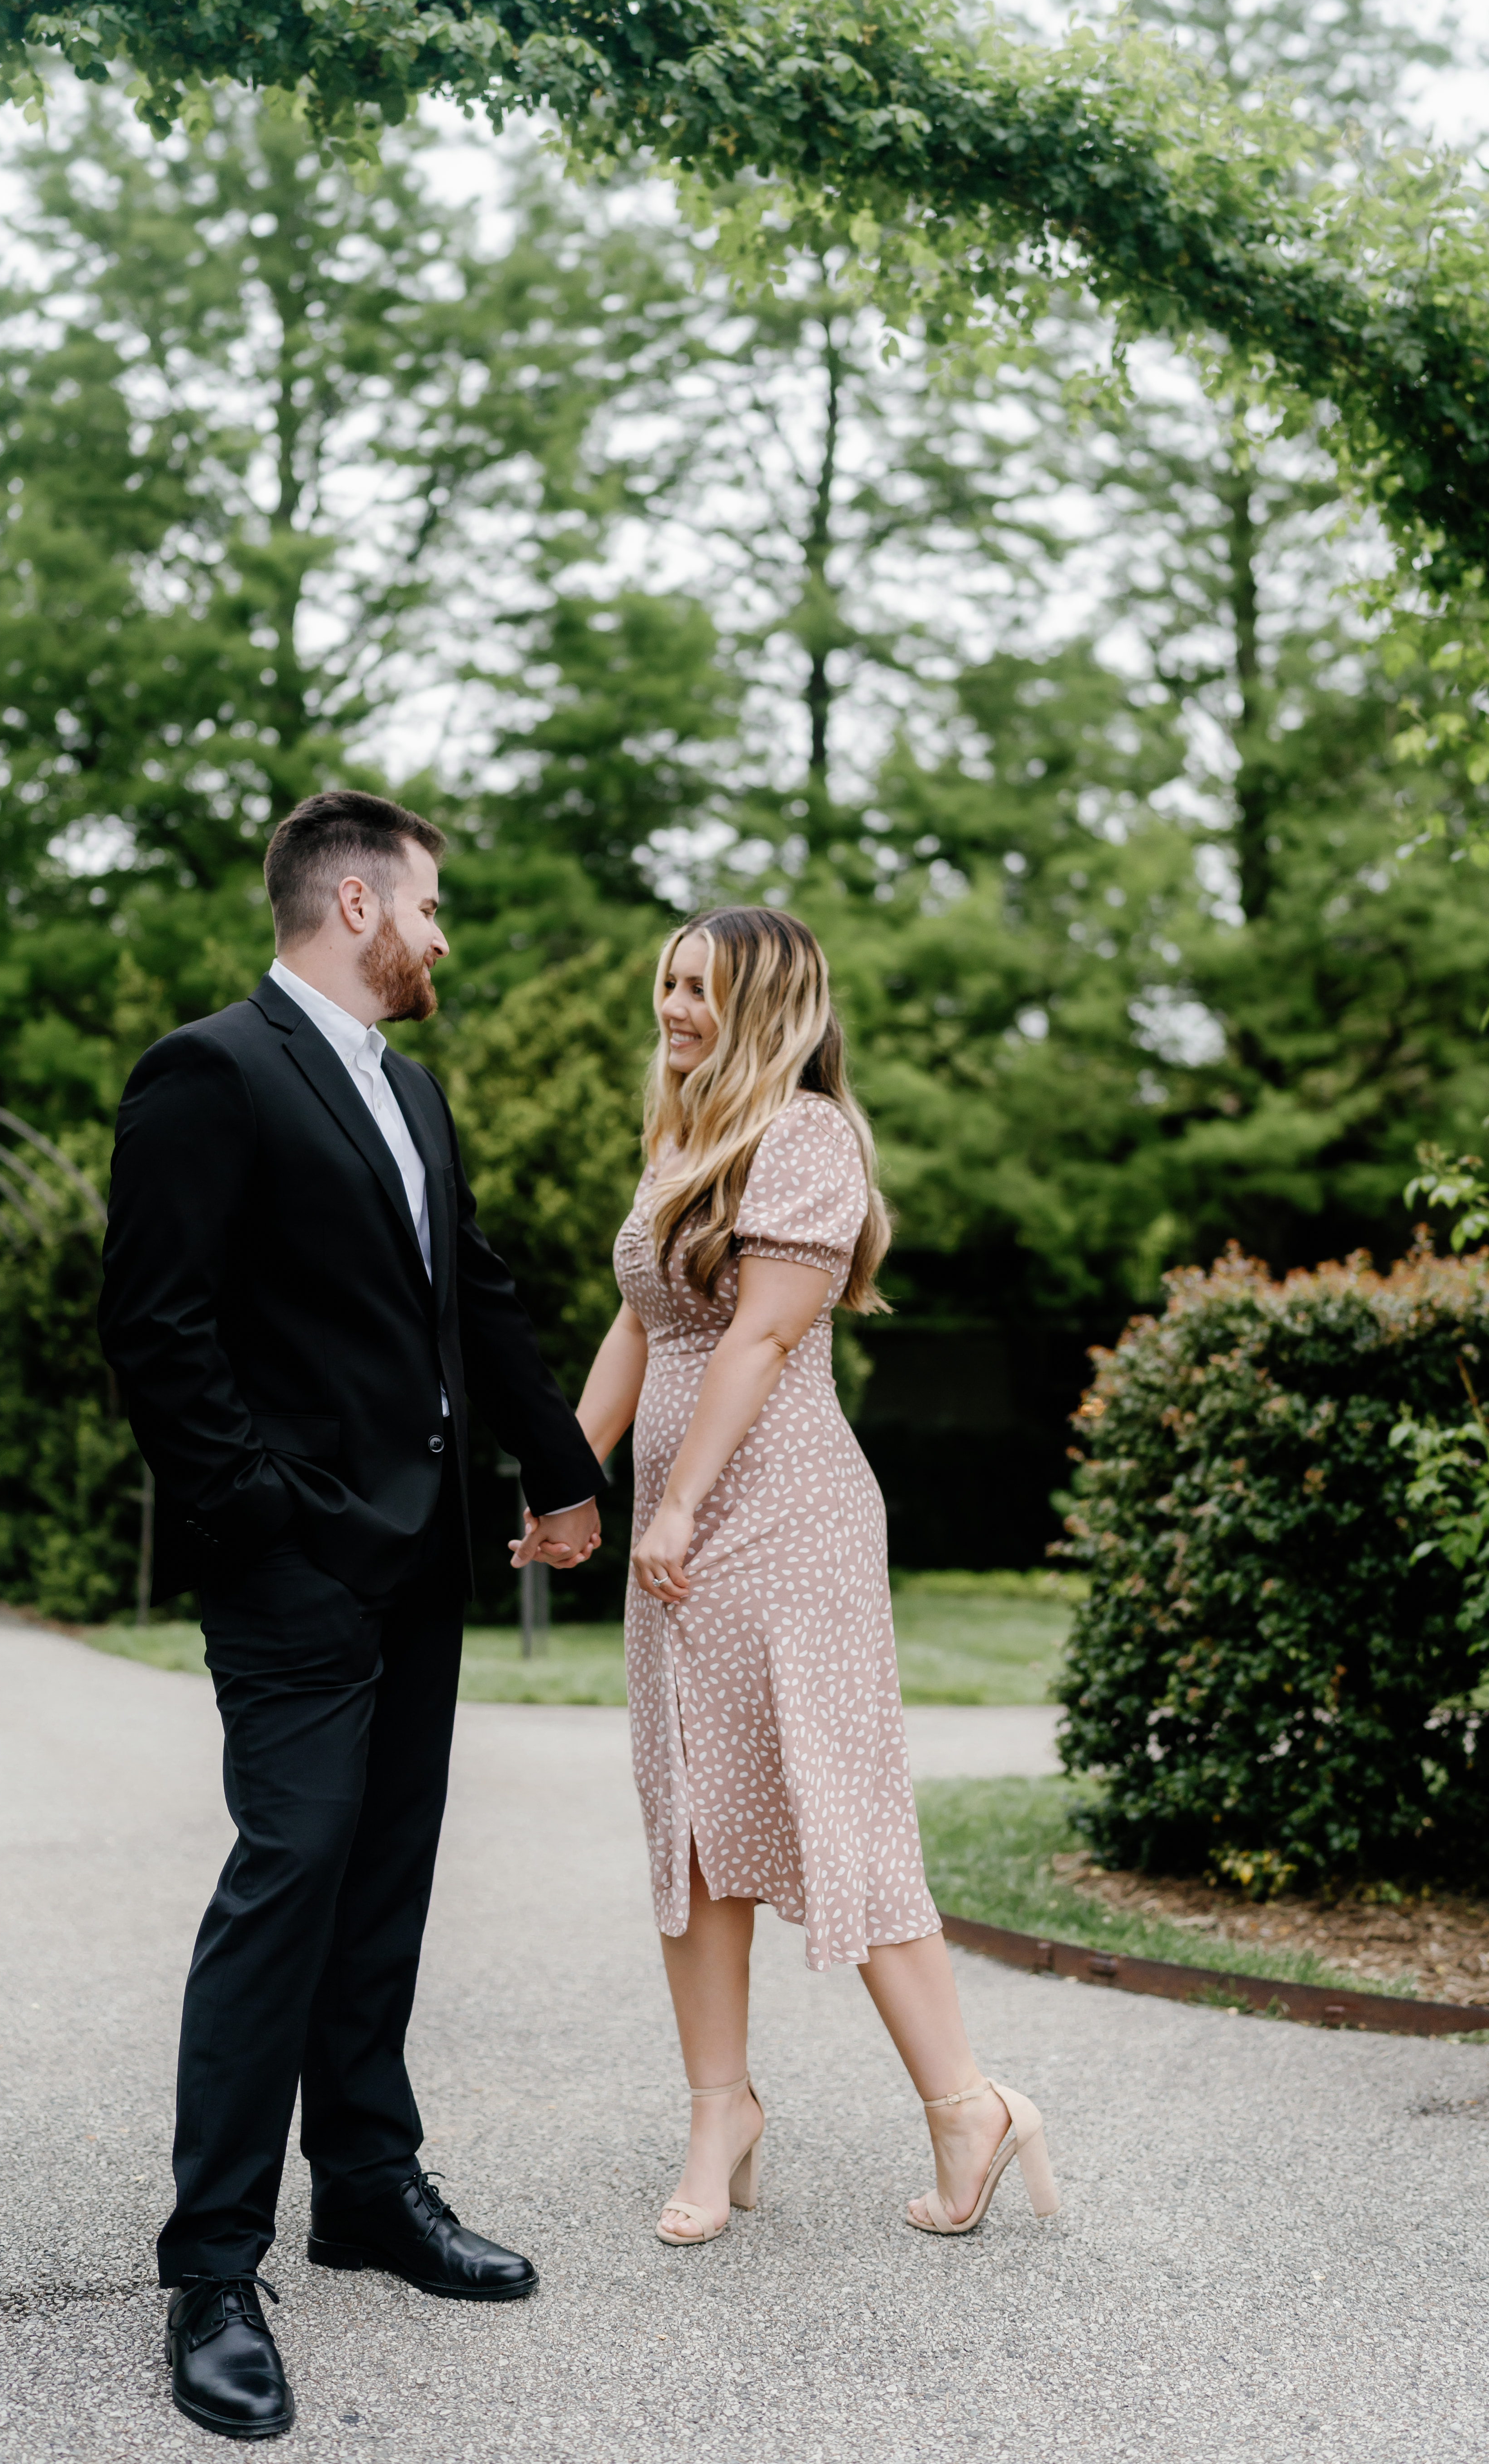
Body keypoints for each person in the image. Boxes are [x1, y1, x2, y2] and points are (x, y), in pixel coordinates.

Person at [99, 790, 606, 2442]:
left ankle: (371, 2194)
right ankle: (212, 2265)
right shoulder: (212, 1071)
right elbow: (156, 1333)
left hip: (427, 1563)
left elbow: (480, 1292)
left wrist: (561, 1465)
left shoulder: (414, 1091)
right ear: (358, 906)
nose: (446, 937)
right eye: (434, 909)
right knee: (289, 1879)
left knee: (383, 1881)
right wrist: (267, 1521)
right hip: (299, 1568)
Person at [566, 906, 1059, 2246]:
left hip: (783, 1525)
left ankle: (969, 2108)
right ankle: (719, 2109)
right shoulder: (682, 1141)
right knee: (694, 1818)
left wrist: (670, 1510)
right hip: (682, 1532)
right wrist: (572, 1479)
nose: (673, 1009)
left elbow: (761, 1341)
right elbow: (641, 1322)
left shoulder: (807, 1138)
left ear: (769, 1008)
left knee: (837, 1808)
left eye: (703, 991)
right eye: (667, 982)